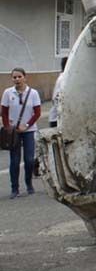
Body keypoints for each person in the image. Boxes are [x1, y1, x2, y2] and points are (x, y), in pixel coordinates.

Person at [1, 68, 42, 199]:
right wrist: (7, 127)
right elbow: (4, 112)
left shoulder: (33, 93)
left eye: (19, 77)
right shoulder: (8, 93)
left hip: (29, 131)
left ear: (25, 77)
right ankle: (15, 188)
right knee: (15, 160)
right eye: (14, 77)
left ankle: (29, 183)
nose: (17, 79)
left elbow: (37, 113)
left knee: (29, 160)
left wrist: (27, 125)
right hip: (14, 132)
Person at [49, 58, 67, 128]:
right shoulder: (63, 79)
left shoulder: (65, 77)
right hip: (57, 119)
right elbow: (56, 98)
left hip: (60, 118)